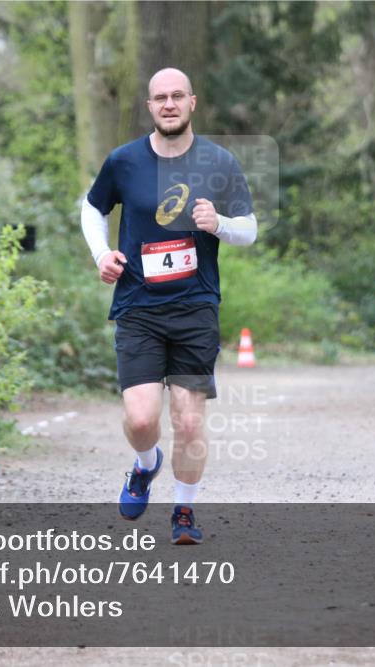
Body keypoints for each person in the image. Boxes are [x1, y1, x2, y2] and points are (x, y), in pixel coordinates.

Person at [80, 67, 257, 545]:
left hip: (195, 307)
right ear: (150, 106)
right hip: (137, 305)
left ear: (192, 102)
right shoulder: (124, 161)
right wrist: (101, 254)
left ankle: (183, 510)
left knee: (189, 420)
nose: (170, 104)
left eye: (178, 96)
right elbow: (93, 208)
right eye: (161, 98)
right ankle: (146, 464)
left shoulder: (219, 162)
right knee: (141, 420)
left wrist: (219, 223)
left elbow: (249, 228)